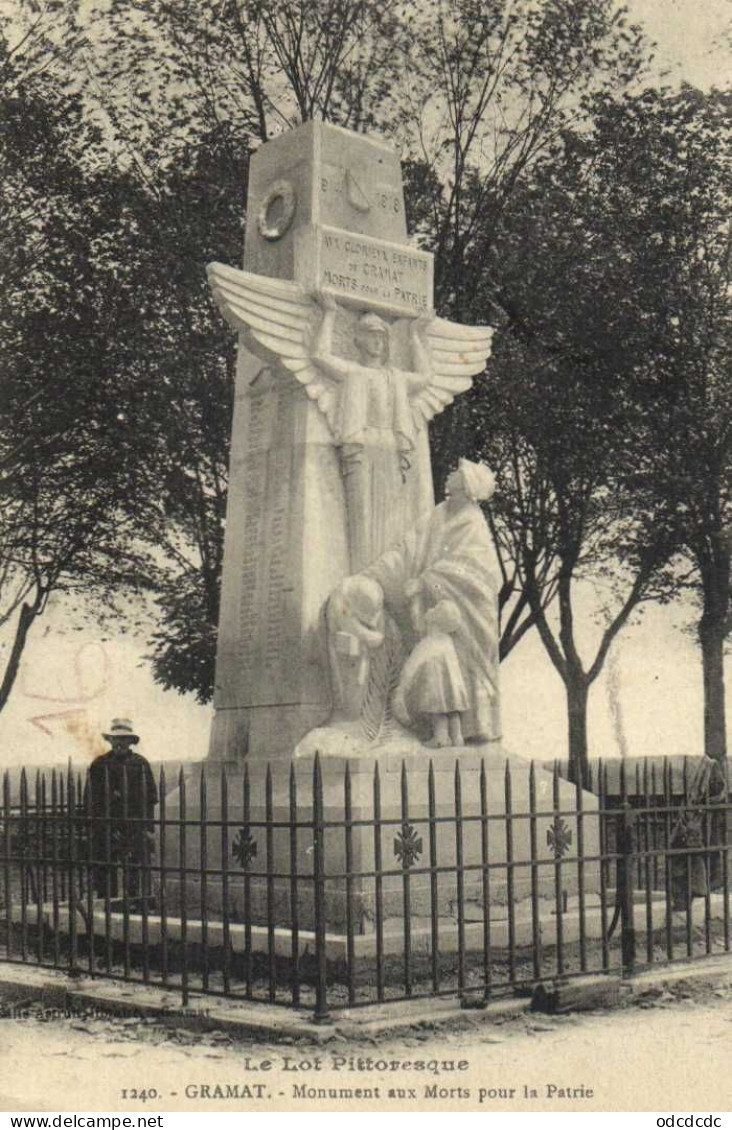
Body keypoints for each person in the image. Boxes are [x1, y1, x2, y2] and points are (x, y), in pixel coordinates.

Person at [329, 457, 501, 745]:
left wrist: (426, 580)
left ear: (466, 484)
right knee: (446, 681)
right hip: (440, 604)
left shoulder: (473, 521)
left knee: (458, 676)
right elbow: (407, 550)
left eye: (456, 473)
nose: (449, 475)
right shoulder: (440, 513)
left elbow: (475, 572)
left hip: (468, 612)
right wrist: (373, 577)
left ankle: (466, 732)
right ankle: (449, 735)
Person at [87, 718, 158, 899]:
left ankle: (133, 901)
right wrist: (97, 825)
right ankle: (106, 903)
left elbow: (150, 798)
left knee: (133, 869)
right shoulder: (99, 764)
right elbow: (90, 799)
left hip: (134, 825)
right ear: (110, 740)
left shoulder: (140, 764)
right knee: (105, 868)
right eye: (116, 739)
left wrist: (148, 828)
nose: (120, 743)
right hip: (106, 825)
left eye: (124, 739)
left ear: (130, 741)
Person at [392, 598, 469, 747]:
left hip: (436, 686)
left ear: (434, 622)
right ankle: (457, 737)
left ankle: (440, 738)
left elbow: (412, 665)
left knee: (438, 712)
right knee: (453, 712)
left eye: (434, 611)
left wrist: (403, 686)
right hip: (453, 686)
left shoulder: (427, 643)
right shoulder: (447, 640)